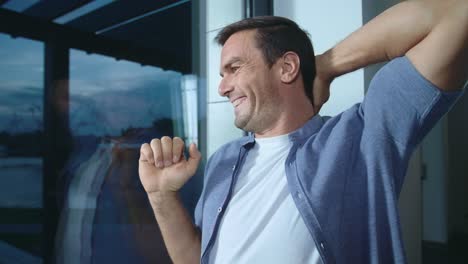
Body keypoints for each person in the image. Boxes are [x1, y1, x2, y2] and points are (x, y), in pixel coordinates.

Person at [138, 0, 467, 263]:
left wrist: (324, 65)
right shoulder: (223, 160)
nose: (223, 87)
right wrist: (161, 196)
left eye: (234, 68)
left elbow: (454, 13)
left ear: (287, 67)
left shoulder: (361, 138)